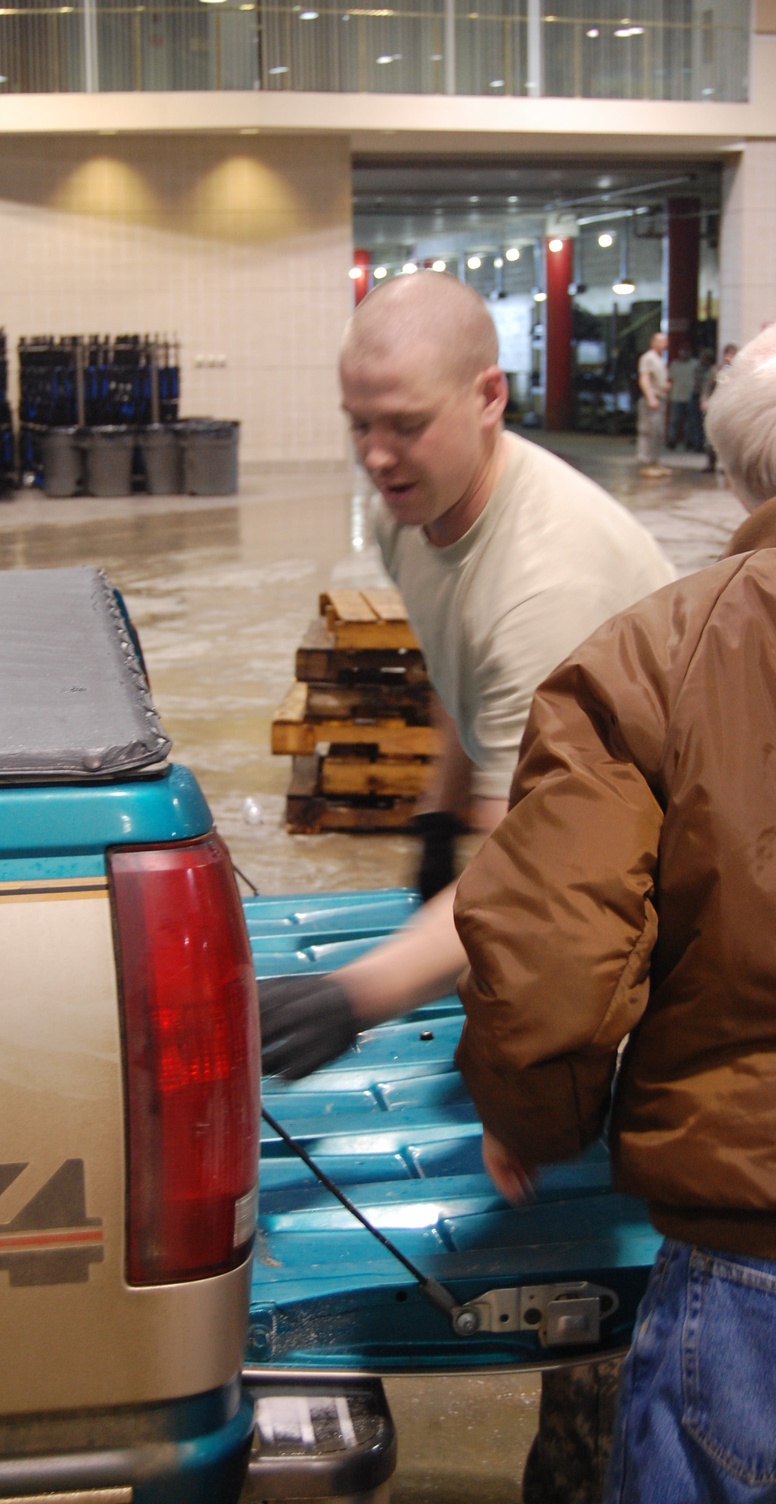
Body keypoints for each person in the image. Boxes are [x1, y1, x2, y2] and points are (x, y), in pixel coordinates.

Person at [259, 270, 675, 1503]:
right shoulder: (410, 505)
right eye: (359, 423)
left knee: (582, 1232)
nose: (378, 454)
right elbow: (461, 674)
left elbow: (551, 882)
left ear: (489, 399)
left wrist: (359, 995)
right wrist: (441, 813)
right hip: (566, 837)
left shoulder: (551, 574)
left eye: (405, 423)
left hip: (666, 876)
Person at [451, 323, 776, 1504]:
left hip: (752, 1278)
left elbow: (547, 965)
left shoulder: (656, 656)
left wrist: (531, 1123)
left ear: (737, 476)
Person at [636, 329, 670, 478]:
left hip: (661, 398)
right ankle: (646, 461)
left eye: (665, 341)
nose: (664, 344)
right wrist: (650, 396)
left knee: (658, 432)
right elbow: (644, 378)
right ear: (653, 342)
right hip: (652, 400)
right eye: (661, 341)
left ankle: (655, 461)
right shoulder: (648, 358)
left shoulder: (660, 359)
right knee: (649, 431)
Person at [701, 341, 739, 472]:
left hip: (732, 408)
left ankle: (728, 466)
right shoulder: (716, 370)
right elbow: (707, 387)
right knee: (711, 438)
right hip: (716, 407)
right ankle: (710, 464)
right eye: (727, 353)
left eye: (732, 354)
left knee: (729, 439)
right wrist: (704, 400)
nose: (729, 357)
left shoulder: (740, 372)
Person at [665, 342, 696, 450]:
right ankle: (671, 441)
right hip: (676, 396)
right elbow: (669, 380)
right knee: (674, 421)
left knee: (690, 422)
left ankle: (689, 442)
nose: (684, 353)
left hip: (689, 397)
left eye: (686, 351)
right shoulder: (674, 365)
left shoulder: (694, 364)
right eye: (682, 351)